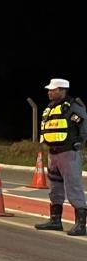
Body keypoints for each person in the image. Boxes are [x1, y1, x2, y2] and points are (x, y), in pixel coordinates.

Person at [35, 78, 87, 235]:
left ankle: (81, 225)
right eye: (49, 90)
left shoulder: (73, 107)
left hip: (69, 152)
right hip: (54, 153)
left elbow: (83, 126)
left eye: (53, 90)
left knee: (73, 187)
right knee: (55, 188)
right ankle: (55, 220)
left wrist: (79, 143)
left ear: (62, 90)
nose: (49, 92)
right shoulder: (51, 107)